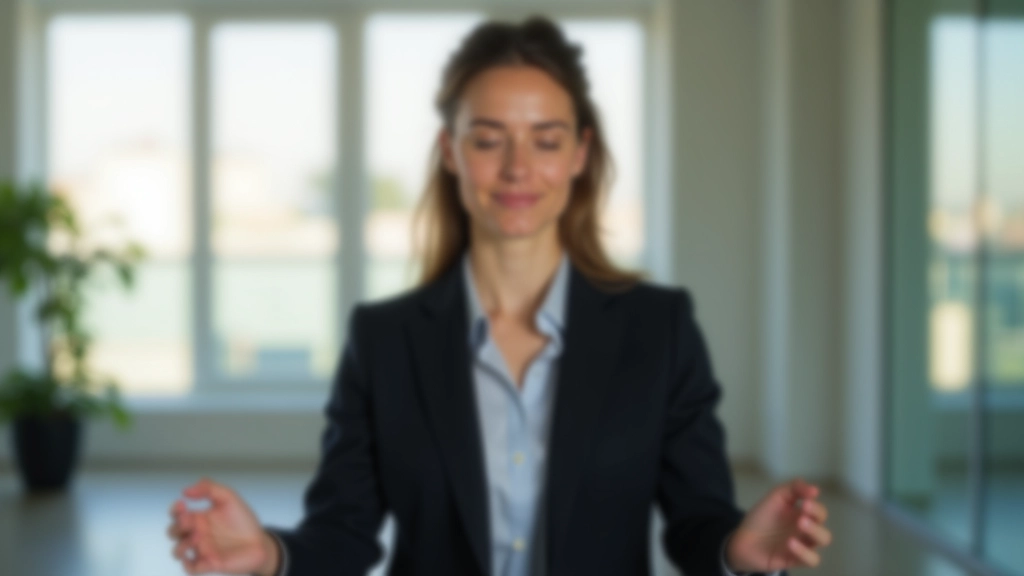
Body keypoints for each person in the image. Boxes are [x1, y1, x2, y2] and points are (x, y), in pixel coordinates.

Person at [166, 16, 832, 576]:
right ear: (450, 151)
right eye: (488, 140)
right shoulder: (383, 340)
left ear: (579, 154)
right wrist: (271, 555)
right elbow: (345, 529)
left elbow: (696, 520)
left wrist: (733, 550)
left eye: (546, 141)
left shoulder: (659, 330)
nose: (517, 168)